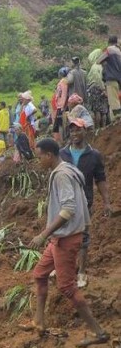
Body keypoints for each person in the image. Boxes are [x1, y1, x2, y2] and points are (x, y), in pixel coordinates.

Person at [23, 138, 109, 347]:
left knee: (67, 287)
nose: (39, 161)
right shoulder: (67, 169)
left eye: (39, 157)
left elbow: (68, 209)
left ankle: (98, 332)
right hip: (59, 238)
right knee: (40, 275)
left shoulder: (62, 175)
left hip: (66, 238)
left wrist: (43, 234)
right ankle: (39, 321)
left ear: (49, 155)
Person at [59, 118, 112, 288]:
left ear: (85, 131)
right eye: (72, 130)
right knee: (62, 234)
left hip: (85, 202)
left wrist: (106, 202)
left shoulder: (94, 155)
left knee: (82, 237)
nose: (75, 134)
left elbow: (101, 179)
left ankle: (81, 272)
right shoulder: (62, 154)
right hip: (64, 201)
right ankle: (64, 268)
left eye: (78, 130)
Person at [97, 35, 121, 119]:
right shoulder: (119, 51)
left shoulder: (109, 50)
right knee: (113, 101)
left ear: (109, 42)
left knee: (114, 102)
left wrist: (104, 62)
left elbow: (98, 60)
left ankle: (118, 120)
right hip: (118, 80)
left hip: (111, 79)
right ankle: (113, 121)